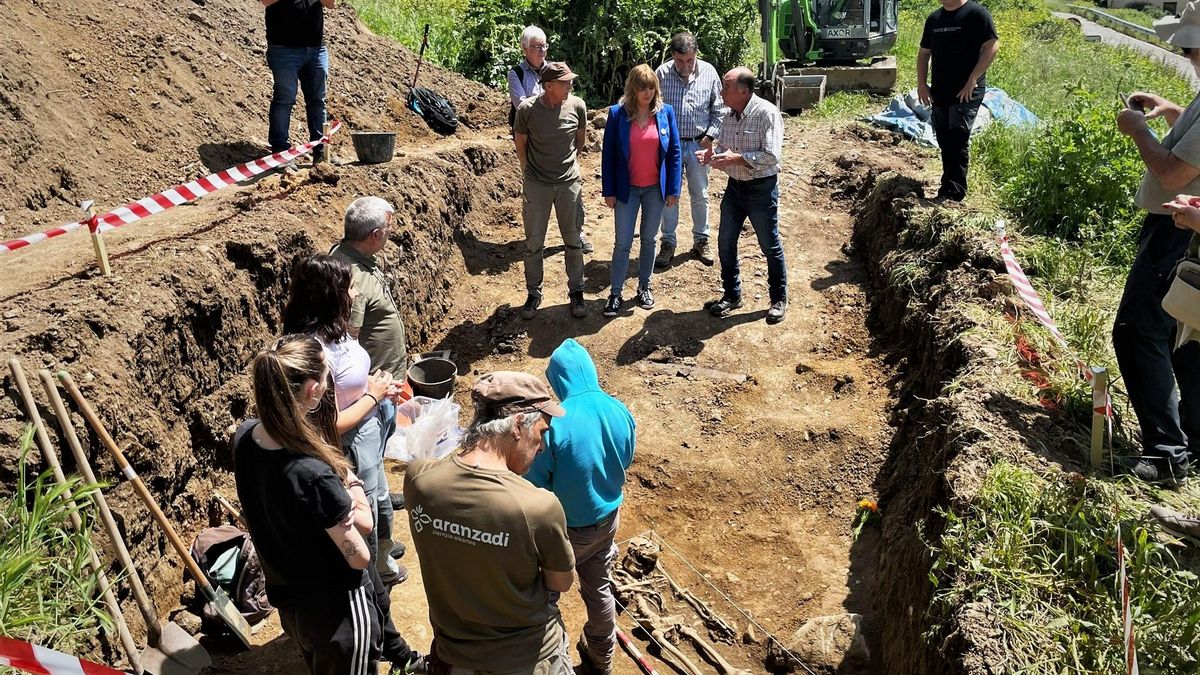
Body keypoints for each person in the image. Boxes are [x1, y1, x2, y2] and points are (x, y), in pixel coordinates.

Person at [232, 335, 386, 674]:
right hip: (339, 611)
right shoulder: (312, 473)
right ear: (313, 390)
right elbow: (359, 555)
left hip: (291, 600)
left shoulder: (244, 438)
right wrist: (352, 483)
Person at [405, 371, 576, 673]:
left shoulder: (420, 479)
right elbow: (560, 582)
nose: (543, 446)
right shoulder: (537, 506)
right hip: (527, 656)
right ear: (519, 425)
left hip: (454, 654)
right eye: (542, 432)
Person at [1114, 4, 1200, 488]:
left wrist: (1140, 130)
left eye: (1189, 48)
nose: (1187, 56)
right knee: (1187, 334)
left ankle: (1167, 454)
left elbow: (1172, 172)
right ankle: (1192, 439)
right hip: (1187, 228)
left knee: (1138, 329)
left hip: (1180, 231)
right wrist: (1173, 110)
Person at [282, 254, 406, 585]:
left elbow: (348, 385)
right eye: (349, 287)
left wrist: (376, 388)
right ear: (329, 294)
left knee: (380, 499)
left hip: (368, 427)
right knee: (363, 510)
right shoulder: (314, 352)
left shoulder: (336, 331)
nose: (355, 293)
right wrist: (373, 395)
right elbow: (328, 424)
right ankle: (372, 576)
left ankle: (382, 554)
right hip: (348, 443)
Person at [524, 339, 635, 675]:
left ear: (558, 379)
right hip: (609, 516)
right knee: (598, 586)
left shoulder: (556, 424)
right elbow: (626, 457)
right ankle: (602, 657)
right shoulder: (619, 409)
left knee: (546, 593)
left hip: (569, 529)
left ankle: (549, 659)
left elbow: (537, 483)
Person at [331, 196, 410, 567]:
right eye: (388, 231)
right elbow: (349, 337)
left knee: (375, 461)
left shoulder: (355, 259)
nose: (390, 235)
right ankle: (379, 555)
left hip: (382, 386)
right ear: (375, 234)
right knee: (369, 475)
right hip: (371, 396)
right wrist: (373, 391)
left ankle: (382, 523)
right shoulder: (353, 278)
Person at [697, 68, 788, 324]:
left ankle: (778, 299)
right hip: (735, 188)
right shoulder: (728, 115)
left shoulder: (766, 113)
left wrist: (737, 158)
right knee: (725, 242)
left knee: (769, 245)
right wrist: (712, 156)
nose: (721, 91)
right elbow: (726, 148)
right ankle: (732, 294)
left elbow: (772, 156)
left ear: (744, 91)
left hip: (761, 189)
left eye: (726, 87)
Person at [600, 64, 682, 318]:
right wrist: (609, 190)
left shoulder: (665, 113)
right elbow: (609, 155)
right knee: (622, 243)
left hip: (655, 190)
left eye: (651, 87)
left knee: (649, 240)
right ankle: (615, 293)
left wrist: (673, 188)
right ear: (632, 89)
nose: (647, 92)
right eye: (642, 87)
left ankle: (644, 287)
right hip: (627, 190)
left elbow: (675, 153)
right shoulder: (617, 114)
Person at [507, 27, 594, 255]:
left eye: (544, 46)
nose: (542, 51)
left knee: (571, 188)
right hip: (532, 134)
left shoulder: (555, 70)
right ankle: (536, 239)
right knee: (537, 188)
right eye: (536, 47)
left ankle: (578, 233)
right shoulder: (517, 73)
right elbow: (521, 104)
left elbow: (575, 122)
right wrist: (546, 103)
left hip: (559, 136)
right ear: (524, 48)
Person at [514, 62, 590, 320]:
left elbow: (580, 142)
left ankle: (577, 291)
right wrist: (529, 173)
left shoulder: (577, 106)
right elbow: (520, 144)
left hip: (569, 183)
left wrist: (569, 168)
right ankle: (533, 293)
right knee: (534, 242)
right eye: (565, 81)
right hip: (537, 184)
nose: (570, 85)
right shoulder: (526, 110)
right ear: (548, 86)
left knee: (573, 239)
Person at [916, 0, 998, 202]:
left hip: (967, 91)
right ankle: (947, 185)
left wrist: (973, 78)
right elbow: (924, 53)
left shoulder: (977, 14)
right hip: (940, 91)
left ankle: (954, 193)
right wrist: (921, 84)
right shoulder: (934, 19)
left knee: (958, 137)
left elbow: (992, 45)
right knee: (944, 138)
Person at [655, 32, 725, 268]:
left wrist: (710, 136)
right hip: (670, 145)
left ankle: (701, 239)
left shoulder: (709, 72)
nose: (685, 66)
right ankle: (668, 243)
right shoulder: (662, 74)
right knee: (669, 194)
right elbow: (653, 107)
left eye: (689, 61)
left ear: (696, 55)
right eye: (680, 61)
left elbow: (719, 109)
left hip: (699, 143)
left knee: (700, 193)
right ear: (673, 56)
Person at [262, 0, 335, 162]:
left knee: (317, 100)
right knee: (284, 99)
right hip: (283, 48)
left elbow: (330, 3)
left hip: (316, 48)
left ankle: (320, 150)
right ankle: (280, 153)